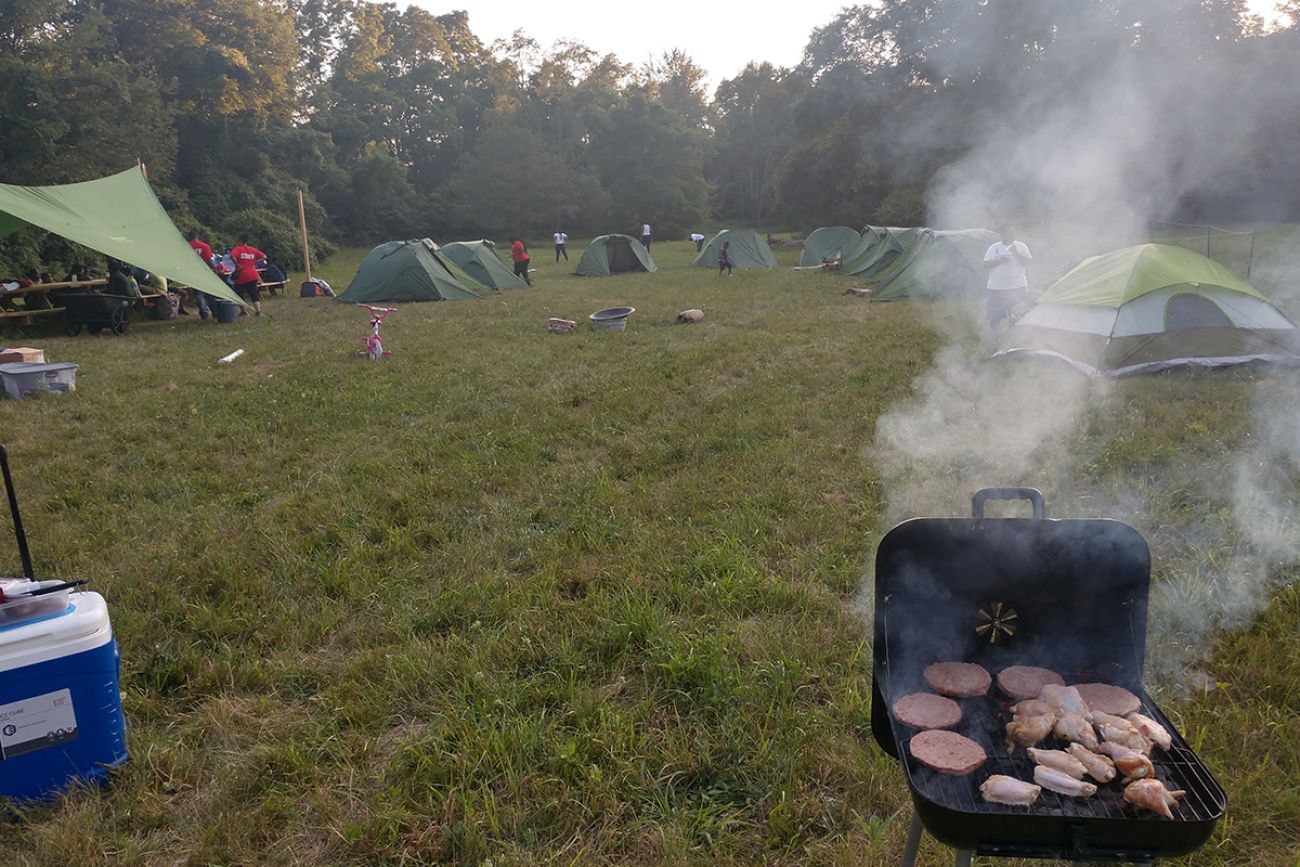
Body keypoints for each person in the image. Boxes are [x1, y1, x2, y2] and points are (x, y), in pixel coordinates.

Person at [983, 225, 1032, 330]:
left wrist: (1016, 253)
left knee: (1019, 314)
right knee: (994, 316)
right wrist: (999, 261)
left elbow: (1027, 263)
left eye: (1013, 233)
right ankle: (995, 341)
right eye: (1008, 233)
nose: (1011, 236)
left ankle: (1016, 339)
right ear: (1002, 234)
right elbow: (986, 265)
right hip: (996, 287)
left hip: (1018, 286)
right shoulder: (993, 248)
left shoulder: (1021, 247)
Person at [229, 233, 267, 316]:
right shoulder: (252, 249)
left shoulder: (237, 249)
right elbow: (264, 256)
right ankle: (258, 311)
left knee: (238, 294)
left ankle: (243, 311)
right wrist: (254, 262)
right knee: (253, 293)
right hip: (253, 274)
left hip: (241, 275)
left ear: (240, 241)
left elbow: (232, 256)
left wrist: (238, 264)